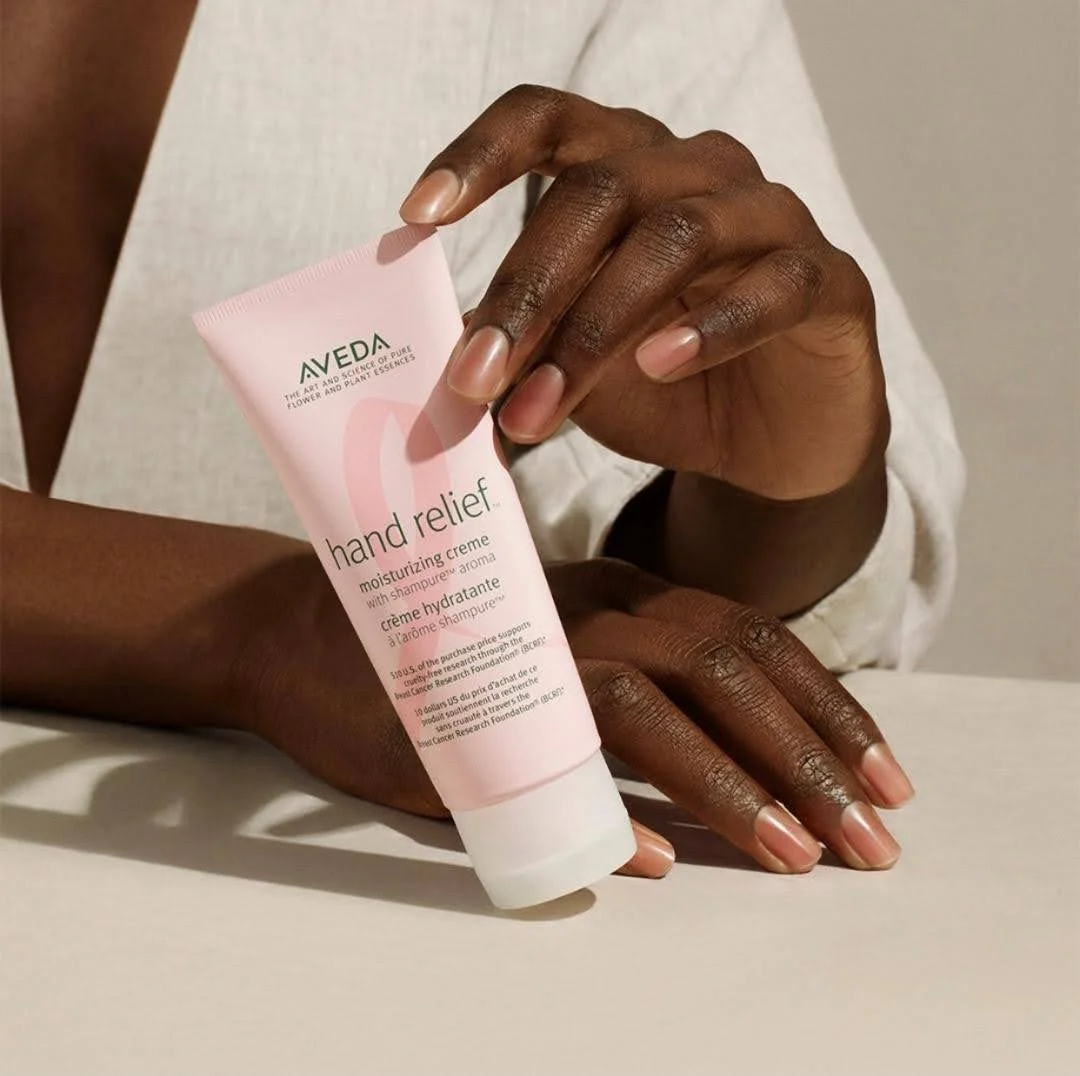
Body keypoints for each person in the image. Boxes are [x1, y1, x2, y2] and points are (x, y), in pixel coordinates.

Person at [1, 1, 963, 881]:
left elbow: (762, 566)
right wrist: (266, 633)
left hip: (358, 894)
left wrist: (776, 494)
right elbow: (286, 635)